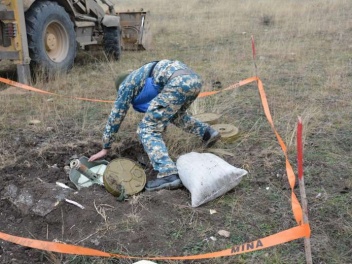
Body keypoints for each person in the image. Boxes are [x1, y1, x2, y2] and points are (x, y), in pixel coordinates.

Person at [88, 59, 220, 191]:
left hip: (176, 82)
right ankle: (207, 133)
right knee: (176, 115)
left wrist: (106, 147)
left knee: (146, 129)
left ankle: (168, 174)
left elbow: (115, 116)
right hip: (193, 80)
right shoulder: (142, 75)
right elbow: (161, 111)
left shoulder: (126, 85)